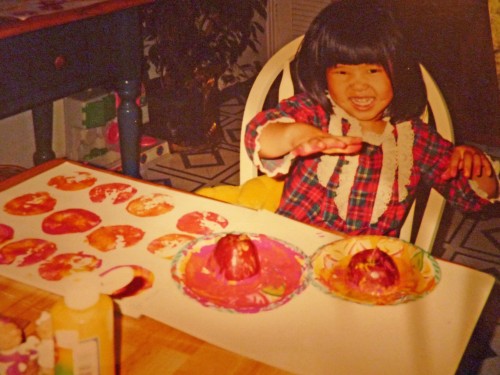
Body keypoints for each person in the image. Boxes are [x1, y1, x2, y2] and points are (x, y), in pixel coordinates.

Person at [244, 0, 498, 236]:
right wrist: (293, 135)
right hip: (293, 247)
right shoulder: (314, 113)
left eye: (373, 71)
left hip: (366, 266)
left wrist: (476, 168)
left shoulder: (415, 139)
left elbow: (472, 201)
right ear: (323, 73)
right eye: (342, 72)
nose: (358, 86)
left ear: (399, 70)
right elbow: (258, 136)